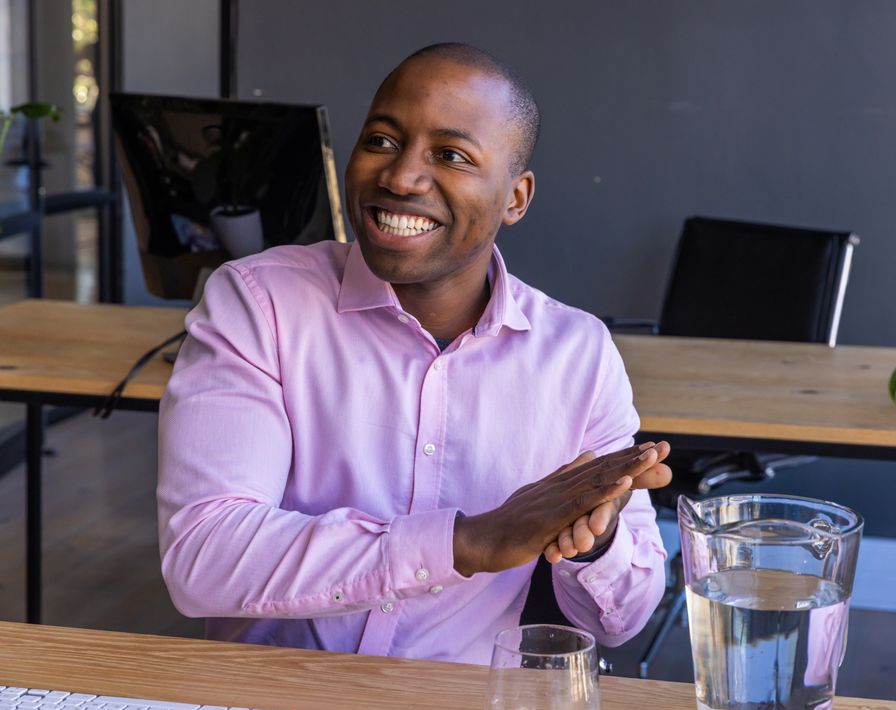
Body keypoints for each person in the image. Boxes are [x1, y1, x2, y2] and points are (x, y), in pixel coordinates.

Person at [157, 42, 672, 664]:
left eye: (451, 155)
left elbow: (621, 620)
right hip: (279, 700)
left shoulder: (578, 355)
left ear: (516, 198)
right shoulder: (259, 303)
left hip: (464, 705)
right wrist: (464, 543)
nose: (400, 177)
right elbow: (204, 557)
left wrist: (597, 538)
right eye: (381, 140)